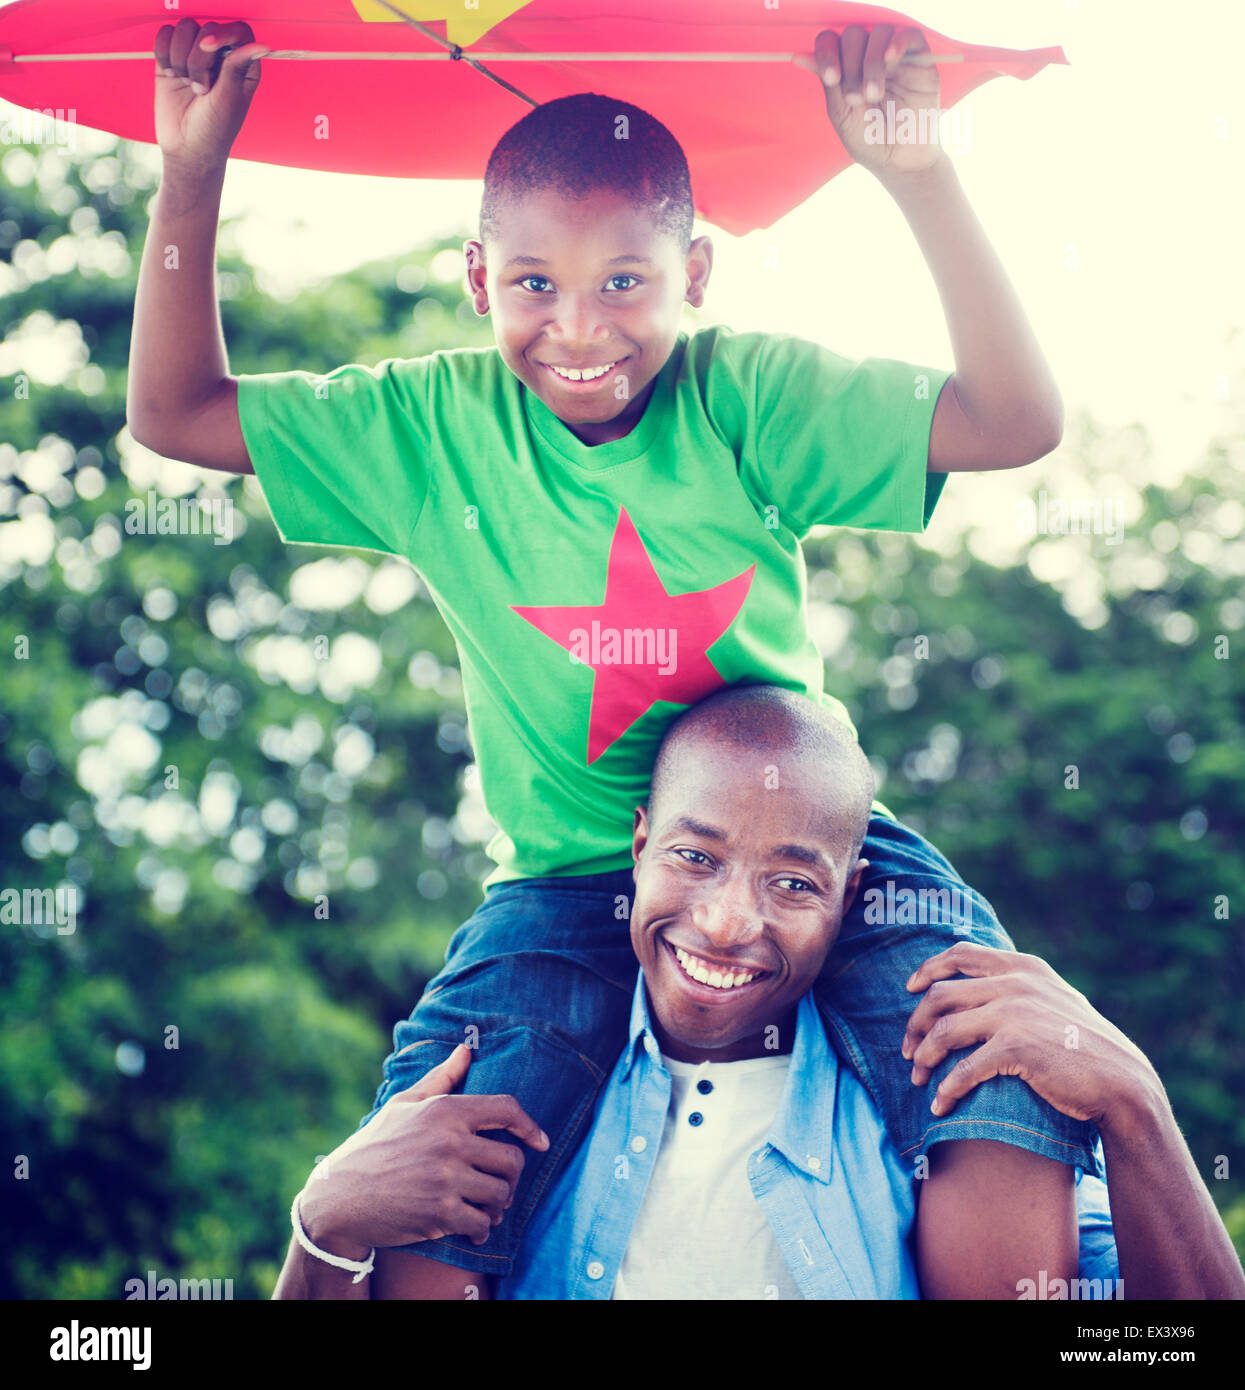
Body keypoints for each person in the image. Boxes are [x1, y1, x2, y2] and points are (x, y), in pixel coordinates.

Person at [131, 18, 1100, 1297]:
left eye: (624, 283)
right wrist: (192, 167)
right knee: (442, 1144)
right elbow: (177, 411)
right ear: (479, 279)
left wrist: (916, 174)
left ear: (695, 273)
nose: (577, 327)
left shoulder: (748, 402)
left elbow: (1015, 420)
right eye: (534, 283)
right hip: (572, 877)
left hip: (809, 853)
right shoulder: (428, 428)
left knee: (1001, 1063)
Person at [279, 686, 1245, 1299]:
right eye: (694, 858)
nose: (729, 922)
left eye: (792, 883)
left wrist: (1135, 1106)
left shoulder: (933, 1124)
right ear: (637, 846)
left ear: (851, 897)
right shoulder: (515, 1105)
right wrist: (323, 1230)